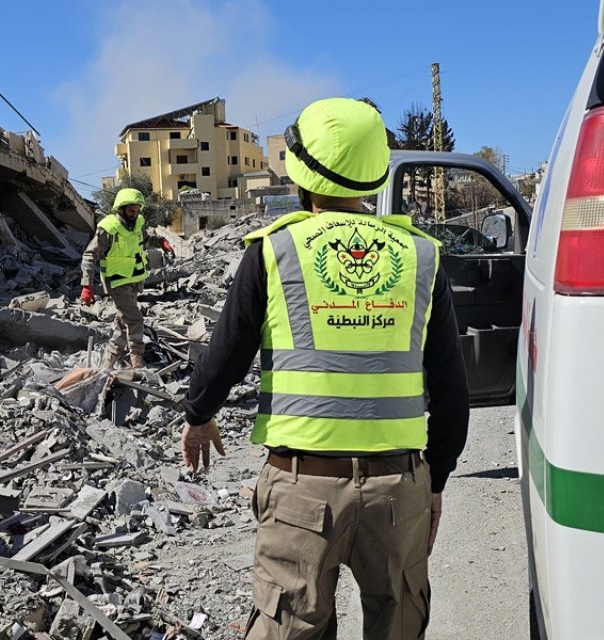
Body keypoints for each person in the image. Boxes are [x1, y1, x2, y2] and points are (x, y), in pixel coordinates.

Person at [180, 98, 470, 639]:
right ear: (376, 172)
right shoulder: (421, 256)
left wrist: (200, 413)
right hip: (398, 487)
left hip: (301, 489)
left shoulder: (275, 250)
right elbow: (453, 386)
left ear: (301, 171)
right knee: (399, 623)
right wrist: (437, 478)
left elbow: (226, 351)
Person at [79, 188, 175, 368]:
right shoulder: (108, 228)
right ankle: (137, 364)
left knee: (123, 325)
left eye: (138, 210)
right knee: (136, 319)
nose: (135, 214)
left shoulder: (138, 223)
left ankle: (108, 363)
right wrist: (87, 286)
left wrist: (160, 242)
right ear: (121, 208)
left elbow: (145, 239)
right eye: (132, 210)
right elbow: (89, 256)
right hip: (116, 282)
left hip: (134, 281)